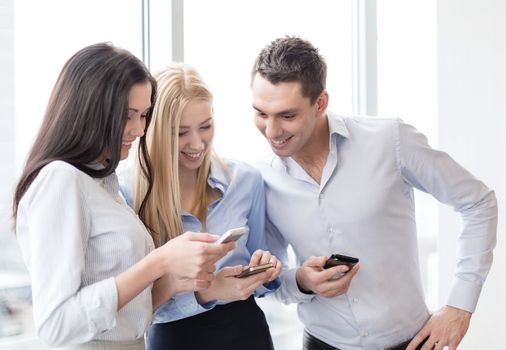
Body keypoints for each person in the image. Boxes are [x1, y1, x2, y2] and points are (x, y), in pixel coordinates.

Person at [251, 36, 498, 350]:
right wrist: (302, 281)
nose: (272, 132)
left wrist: (460, 306)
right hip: (321, 343)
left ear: (320, 103)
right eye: (261, 114)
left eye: (287, 116)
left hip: (412, 342)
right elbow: (272, 277)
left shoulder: (389, 140)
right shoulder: (262, 178)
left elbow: (478, 202)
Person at [12, 43, 234, 350]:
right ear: (91, 109)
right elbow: (57, 325)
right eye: (128, 116)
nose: (139, 129)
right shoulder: (61, 180)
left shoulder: (103, 185)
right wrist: (158, 262)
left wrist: (173, 281)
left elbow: (125, 318)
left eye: (144, 116)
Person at [119, 63, 282, 350]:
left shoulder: (245, 180)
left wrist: (265, 270)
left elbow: (264, 261)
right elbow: (132, 308)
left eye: (205, 126)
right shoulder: (128, 195)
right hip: (175, 339)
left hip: (247, 333)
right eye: (181, 132)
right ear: (154, 130)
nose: (197, 143)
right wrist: (205, 293)